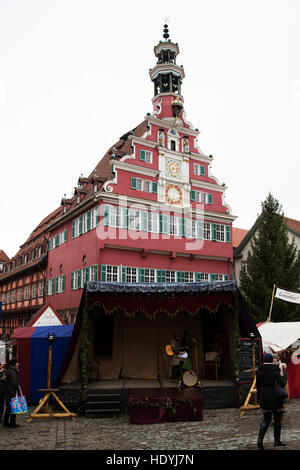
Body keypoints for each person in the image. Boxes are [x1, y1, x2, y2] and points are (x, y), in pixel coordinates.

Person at [256, 352, 287, 449]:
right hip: (275, 398)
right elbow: (282, 383)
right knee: (277, 420)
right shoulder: (275, 369)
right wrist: (281, 372)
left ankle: (260, 440)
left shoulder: (259, 370)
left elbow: (258, 386)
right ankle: (277, 441)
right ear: (271, 360)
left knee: (266, 419)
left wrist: (259, 398)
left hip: (264, 397)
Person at [3, 358, 20, 428]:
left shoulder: (7, 371)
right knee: (14, 407)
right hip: (12, 392)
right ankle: (12, 423)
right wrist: (18, 389)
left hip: (8, 391)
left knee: (8, 407)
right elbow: (15, 382)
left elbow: (5, 381)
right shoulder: (13, 372)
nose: (18, 364)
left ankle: (5, 422)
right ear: (14, 363)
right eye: (17, 363)